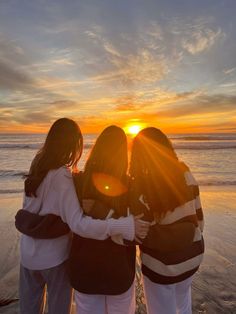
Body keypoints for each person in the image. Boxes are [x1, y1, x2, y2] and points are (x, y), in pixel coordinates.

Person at [18, 118, 149, 314]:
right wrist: (124, 225)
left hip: (28, 254)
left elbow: (31, 210)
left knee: (28, 309)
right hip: (54, 258)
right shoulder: (64, 176)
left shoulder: (38, 167)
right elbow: (79, 224)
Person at [129, 127, 204, 314]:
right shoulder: (184, 171)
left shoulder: (140, 185)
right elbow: (199, 218)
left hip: (161, 265)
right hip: (192, 255)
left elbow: (141, 233)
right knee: (184, 302)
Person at [68, 125, 137, 314]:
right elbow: (136, 228)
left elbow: (70, 221)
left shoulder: (78, 181)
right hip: (118, 269)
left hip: (85, 267)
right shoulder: (130, 185)